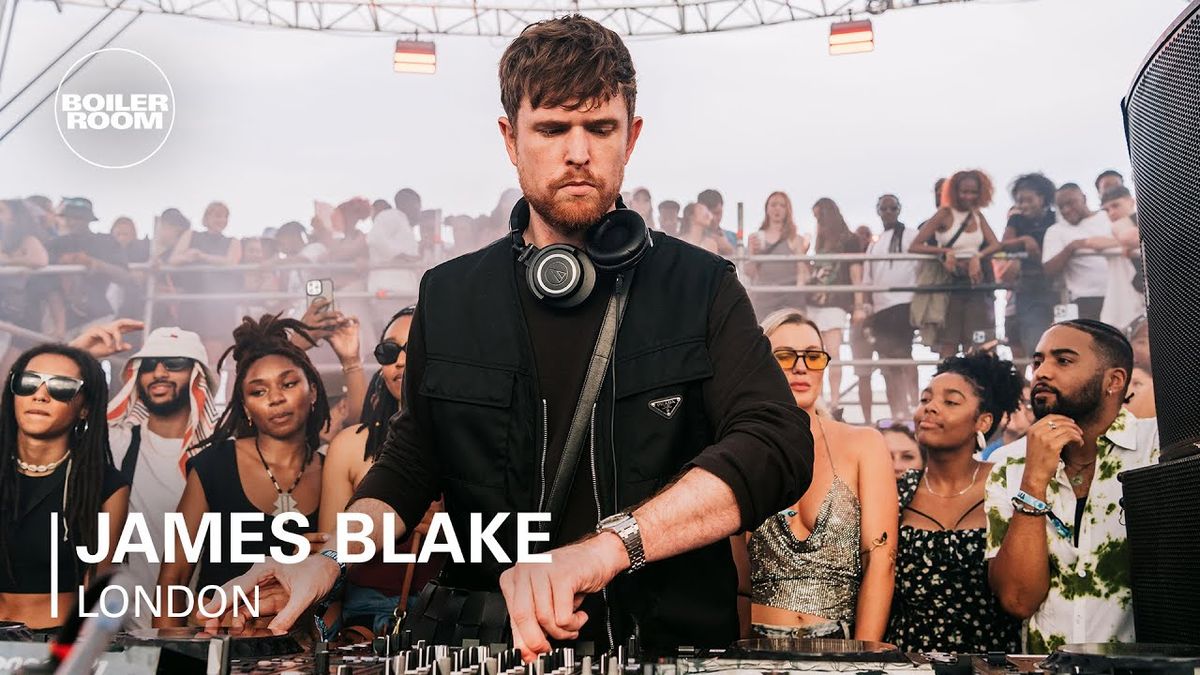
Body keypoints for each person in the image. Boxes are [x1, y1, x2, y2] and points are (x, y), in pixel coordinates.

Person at [202, 15, 814, 656]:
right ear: (510, 139)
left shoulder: (701, 286)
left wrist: (610, 549)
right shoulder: (451, 295)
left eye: (600, 128)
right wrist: (327, 559)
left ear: (631, 137)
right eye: (551, 129)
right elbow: (411, 463)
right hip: (489, 650)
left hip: (661, 647)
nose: (578, 153)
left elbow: (776, 444)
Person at [987, 319, 1158, 650]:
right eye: (1038, 362)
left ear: (1114, 381)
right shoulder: (1009, 464)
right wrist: (1034, 481)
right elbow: (1018, 600)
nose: (1041, 373)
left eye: (1063, 360)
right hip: (1047, 669)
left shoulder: (1157, 449)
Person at [154, 314, 332, 627]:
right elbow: (173, 578)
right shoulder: (213, 465)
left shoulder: (332, 471)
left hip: (299, 646)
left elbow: (340, 582)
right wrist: (165, 650)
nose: (276, 398)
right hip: (219, 640)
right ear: (246, 407)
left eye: (288, 384)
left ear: (313, 391)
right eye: (258, 391)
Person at [747, 310, 896, 639]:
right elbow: (733, 578)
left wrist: (861, 657)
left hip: (840, 645)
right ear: (760, 364)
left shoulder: (864, 444)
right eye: (785, 356)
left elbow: (881, 560)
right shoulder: (741, 448)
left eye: (813, 357)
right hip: (753, 644)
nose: (801, 367)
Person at [886, 352, 1023, 652]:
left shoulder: (1008, 484)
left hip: (990, 662)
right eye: (925, 399)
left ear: (983, 421)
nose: (930, 407)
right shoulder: (896, 491)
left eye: (950, 401)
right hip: (909, 661)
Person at [320, 307, 444, 638]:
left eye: (414, 348)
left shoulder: (476, 445)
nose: (401, 361)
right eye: (389, 352)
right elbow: (329, 551)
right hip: (365, 617)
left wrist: (450, 528)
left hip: (449, 613)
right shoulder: (349, 446)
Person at [0, 344, 129, 629]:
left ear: (85, 408)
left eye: (61, 387)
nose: (40, 395)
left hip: (54, 640)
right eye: (28, 382)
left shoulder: (105, 486)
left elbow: (97, 592)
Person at [102, 327, 220, 628]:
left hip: (198, 628)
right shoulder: (117, 443)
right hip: (120, 630)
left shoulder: (221, 454)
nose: (159, 373)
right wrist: (83, 354)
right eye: (149, 365)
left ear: (197, 377)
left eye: (174, 364)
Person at [910, 170, 1004, 357]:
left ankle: (976, 375)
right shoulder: (944, 214)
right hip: (950, 283)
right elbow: (915, 245)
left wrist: (978, 256)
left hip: (975, 283)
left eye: (973, 192)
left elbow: (995, 244)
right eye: (964, 192)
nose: (969, 196)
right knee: (949, 342)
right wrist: (944, 252)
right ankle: (947, 375)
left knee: (978, 342)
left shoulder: (977, 215)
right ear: (954, 192)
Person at [862, 195, 919, 419]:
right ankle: (897, 411)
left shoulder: (911, 235)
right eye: (884, 208)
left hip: (904, 303)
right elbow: (867, 279)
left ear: (899, 209)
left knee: (904, 354)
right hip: (881, 309)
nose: (888, 212)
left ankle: (914, 404)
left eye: (892, 208)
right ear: (878, 211)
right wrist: (867, 306)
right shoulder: (874, 244)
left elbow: (921, 266)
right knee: (887, 360)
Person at [807, 197, 865, 412]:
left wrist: (858, 305)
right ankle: (818, 399)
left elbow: (856, 276)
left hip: (836, 302)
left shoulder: (849, 240)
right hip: (814, 302)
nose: (818, 222)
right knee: (816, 354)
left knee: (832, 352)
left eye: (819, 217)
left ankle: (834, 401)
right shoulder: (820, 242)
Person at [169, 202, 243, 363]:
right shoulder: (191, 235)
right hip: (192, 304)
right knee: (187, 353)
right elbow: (173, 259)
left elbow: (231, 262)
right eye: (217, 215)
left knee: (213, 356)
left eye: (225, 216)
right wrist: (188, 256)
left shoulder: (233, 241)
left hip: (218, 307)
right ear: (207, 217)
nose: (221, 220)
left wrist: (203, 257)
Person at [1042, 184, 1120, 322]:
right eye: (1061, 207)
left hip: (1119, 294)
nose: (1066, 210)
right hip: (1084, 301)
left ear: (1084, 198)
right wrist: (1071, 247)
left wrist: (1092, 243)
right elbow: (1049, 269)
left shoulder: (1108, 216)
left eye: (1070, 203)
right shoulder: (1056, 231)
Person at [745, 191, 809, 319]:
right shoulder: (757, 238)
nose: (777, 209)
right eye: (773, 205)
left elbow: (801, 271)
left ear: (787, 210)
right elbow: (750, 273)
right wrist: (752, 253)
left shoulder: (796, 239)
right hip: (763, 300)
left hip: (790, 300)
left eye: (782, 205)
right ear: (767, 209)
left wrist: (798, 294)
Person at [1098, 187, 1145, 332]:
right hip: (1126, 300)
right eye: (1106, 210)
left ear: (1131, 202)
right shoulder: (1116, 225)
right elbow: (1128, 238)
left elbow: (1130, 238)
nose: (1111, 212)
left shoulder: (1142, 218)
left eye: (1115, 205)